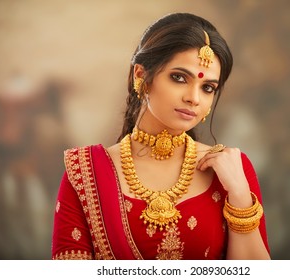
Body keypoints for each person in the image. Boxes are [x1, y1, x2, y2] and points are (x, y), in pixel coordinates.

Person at [51, 12, 270, 260]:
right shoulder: (84, 172)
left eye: (207, 87)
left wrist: (240, 196)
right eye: (179, 78)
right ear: (141, 76)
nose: (193, 98)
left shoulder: (232, 171)